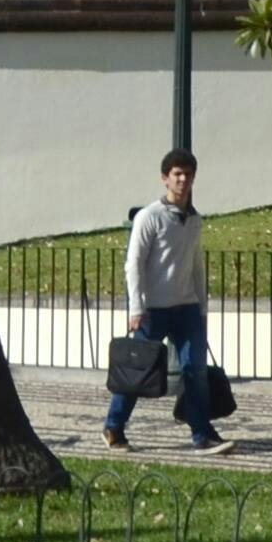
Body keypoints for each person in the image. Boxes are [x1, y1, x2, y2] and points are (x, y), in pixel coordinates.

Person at [110, 147, 227, 453]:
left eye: (188, 174)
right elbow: (133, 263)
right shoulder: (150, 217)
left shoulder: (194, 220)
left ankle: (202, 434)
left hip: (187, 307)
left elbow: (196, 264)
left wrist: (202, 306)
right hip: (153, 309)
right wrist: (136, 307)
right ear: (165, 178)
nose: (183, 180)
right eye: (177, 174)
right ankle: (113, 426)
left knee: (195, 372)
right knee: (138, 372)